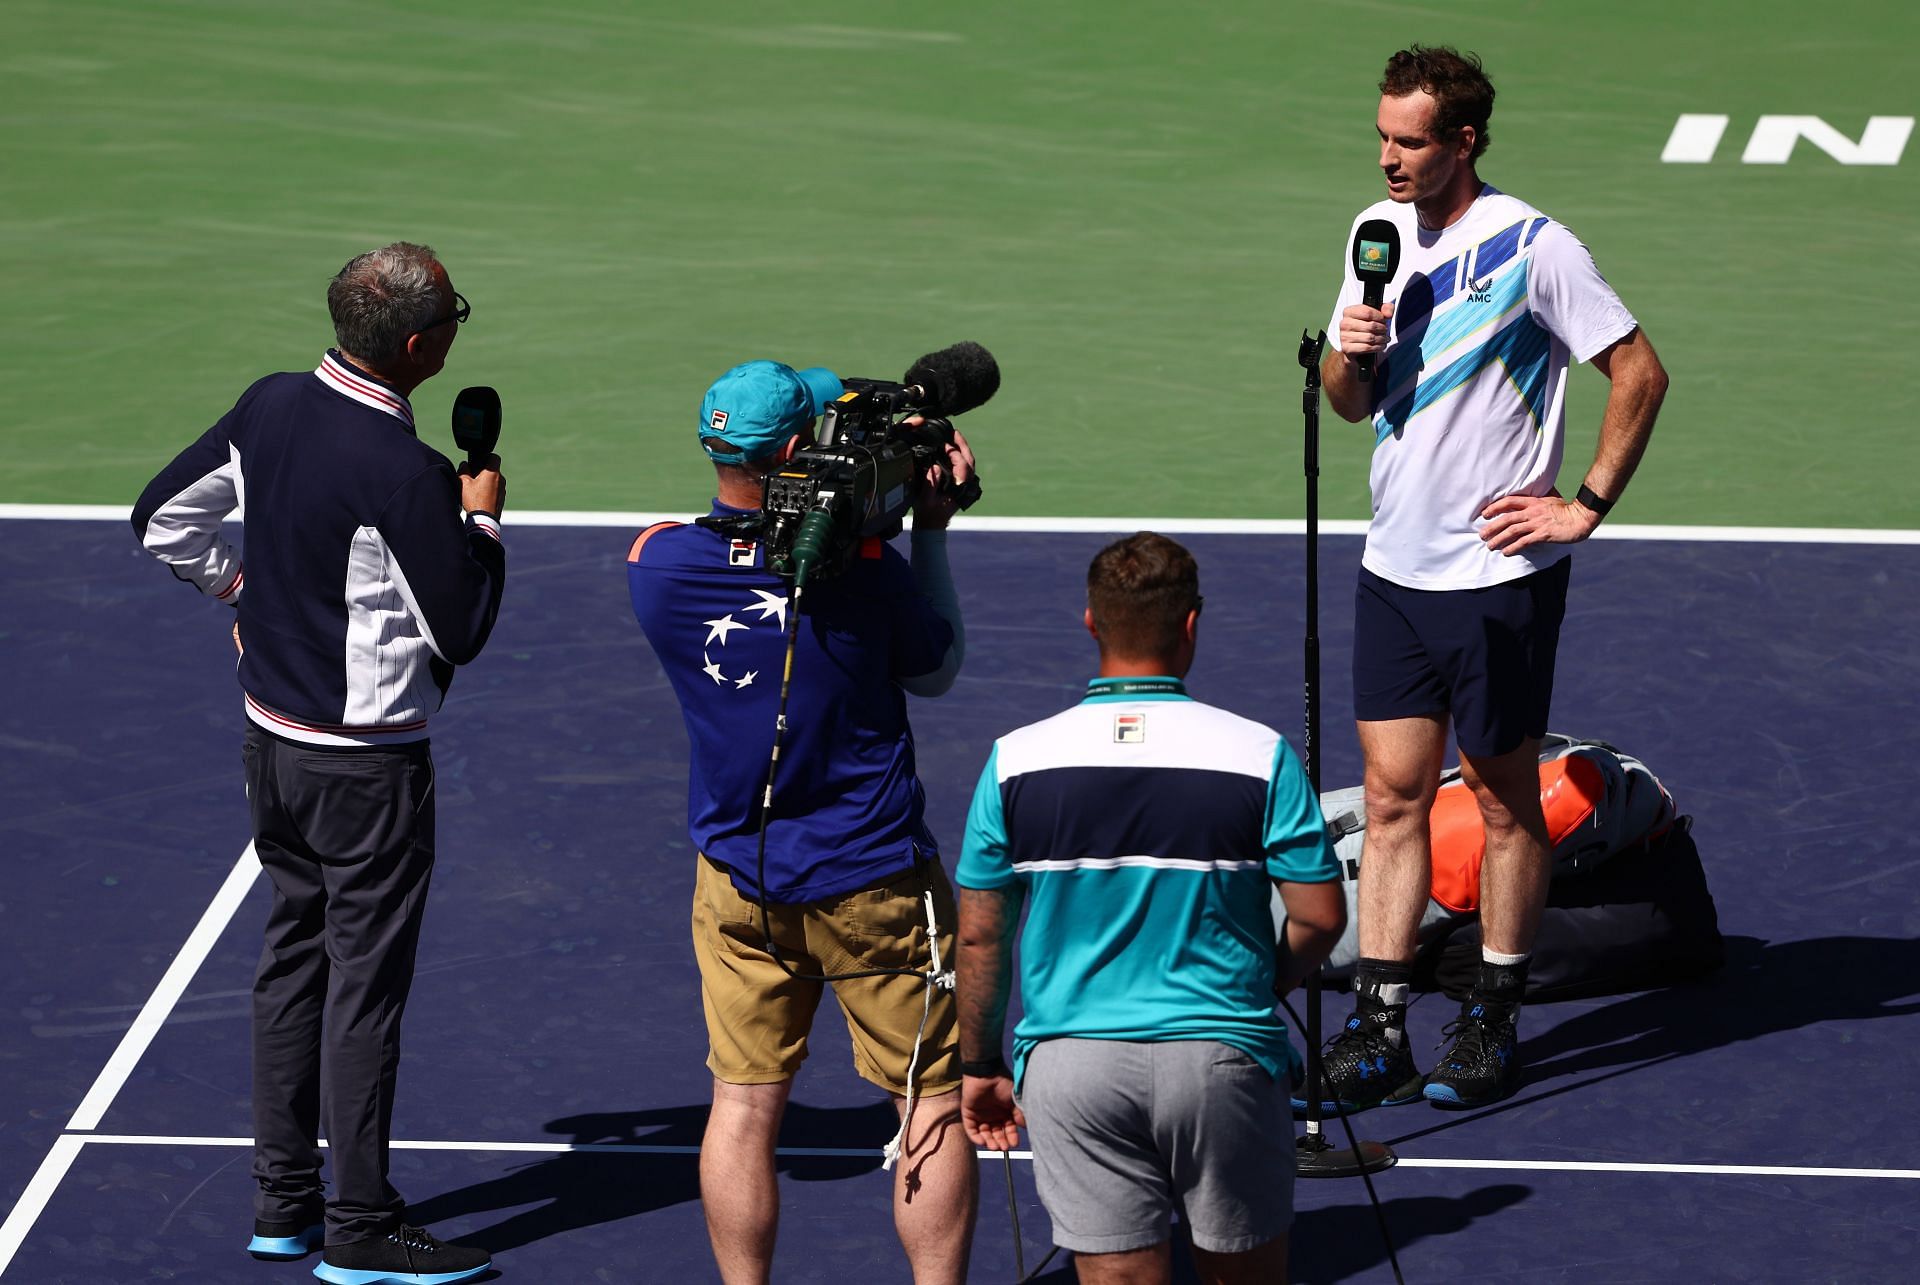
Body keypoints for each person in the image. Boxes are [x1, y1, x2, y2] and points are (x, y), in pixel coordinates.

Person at [130, 242, 503, 1284]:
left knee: (291, 962)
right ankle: (360, 1224)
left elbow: (163, 518)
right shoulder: (407, 471)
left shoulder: (270, 404)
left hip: (273, 747)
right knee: (363, 992)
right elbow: (464, 622)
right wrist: (482, 517)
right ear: (423, 344)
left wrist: (237, 594)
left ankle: (282, 1206)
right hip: (369, 772)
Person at [1315, 45, 1670, 1112]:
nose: (1388, 158)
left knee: (1509, 802)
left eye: (1410, 141)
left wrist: (1585, 505)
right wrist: (1350, 346)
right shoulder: (1373, 237)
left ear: (1463, 141)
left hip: (1493, 576)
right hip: (1393, 565)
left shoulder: (1535, 246)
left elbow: (1640, 371)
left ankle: (1492, 1014)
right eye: (1382, 135)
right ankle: (1379, 1028)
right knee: (1389, 799)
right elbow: (1344, 400)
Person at [625, 360, 980, 1285]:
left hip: (740, 886)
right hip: (877, 887)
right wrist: (926, 532)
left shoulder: (659, 570)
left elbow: (703, 539)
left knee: (741, 1108)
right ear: (794, 452)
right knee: (926, 1107)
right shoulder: (864, 578)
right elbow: (935, 666)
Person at [955, 532, 1346, 1285]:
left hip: (1072, 1069)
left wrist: (979, 1062)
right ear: (1191, 624)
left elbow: (980, 936)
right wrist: (1257, 988)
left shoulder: (1013, 760)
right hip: (1222, 1060)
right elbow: (1321, 917)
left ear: (1091, 623)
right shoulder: (1259, 754)